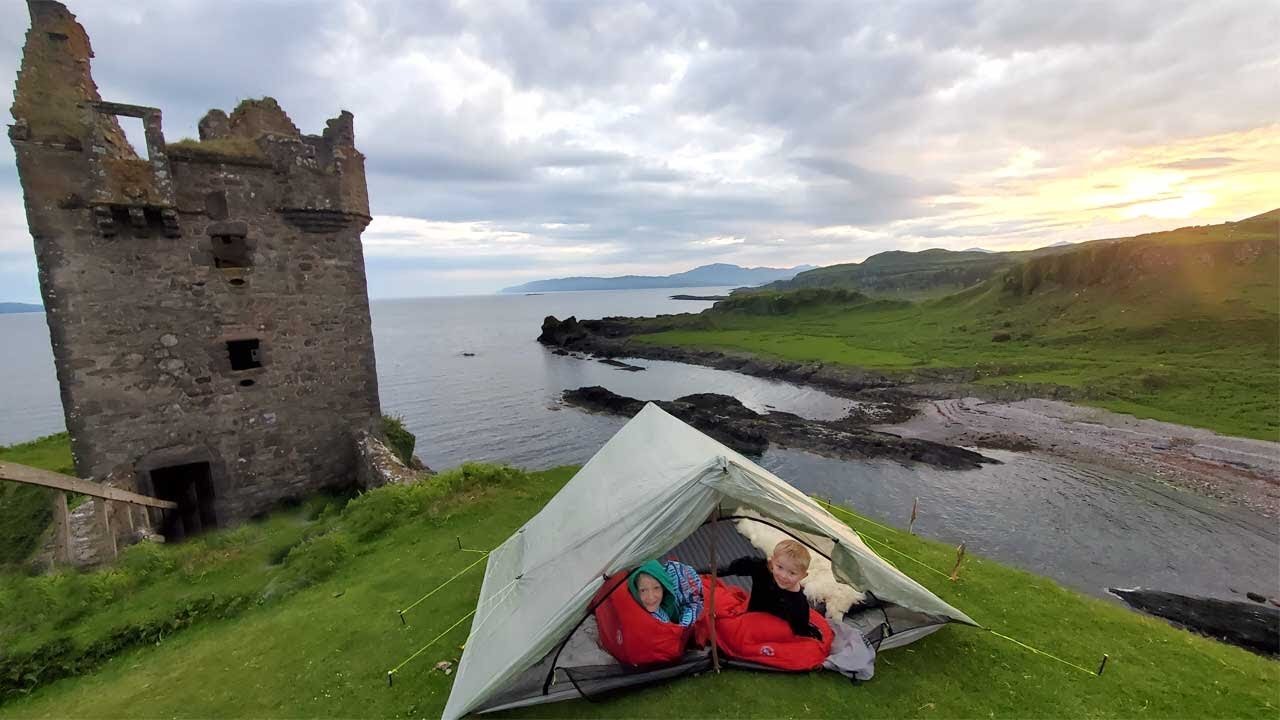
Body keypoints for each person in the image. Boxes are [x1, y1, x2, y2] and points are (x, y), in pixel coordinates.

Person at [718, 539, 822, 640]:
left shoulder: (799, 603)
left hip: (771, 631)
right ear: (772, 562)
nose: (784, 576)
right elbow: (738, 566)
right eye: (780, 567)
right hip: (751, 617)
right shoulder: (761, 567)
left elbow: (800, 629)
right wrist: (715, 571)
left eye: (792, 573)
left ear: (803, 576)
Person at [628, 559, 704, 627]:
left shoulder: (681, 586)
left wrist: (682, 627)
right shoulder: (635, 610)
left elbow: (696, 601)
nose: (651, 597)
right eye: (643, 590)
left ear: (664, 587)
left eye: (656, 588)